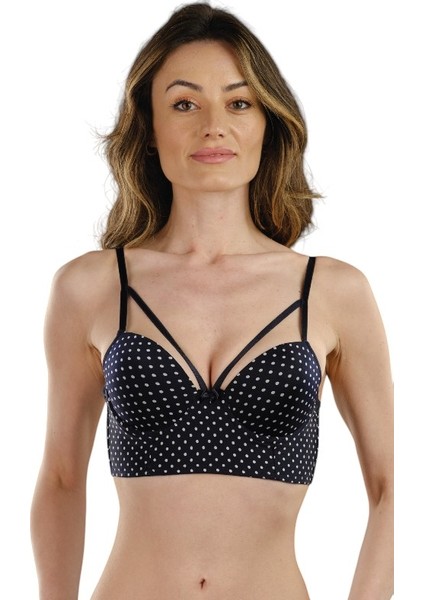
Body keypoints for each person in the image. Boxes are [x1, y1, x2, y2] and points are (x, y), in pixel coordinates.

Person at [30, 3, 394, 599]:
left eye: (239, 102)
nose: (213, 126)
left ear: (267, 123)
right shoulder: (91, 287)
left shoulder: (332, 292)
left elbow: (392, 488)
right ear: (149, 129)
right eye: (184, 103)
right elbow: (63, 479)